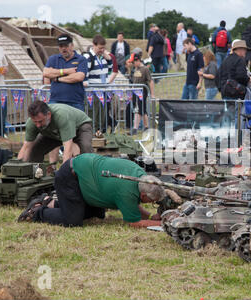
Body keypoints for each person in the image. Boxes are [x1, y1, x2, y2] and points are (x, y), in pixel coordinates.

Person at [17, 153, 166, 228]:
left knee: (96, 214)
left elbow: (132, 205)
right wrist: (160, 224)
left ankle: (48, 201)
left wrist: (151, 216)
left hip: (84, 172)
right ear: (142, 194)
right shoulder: (126, 191)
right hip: (70, 176)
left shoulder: (139, 175)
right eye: (151, 201)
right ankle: (37, 212)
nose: (150, 203)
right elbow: (134, 223)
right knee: (72, 221)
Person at [17, 101, 92, 164]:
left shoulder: (61, 116)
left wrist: (63, 174)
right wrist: (19, 167)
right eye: (35, 122)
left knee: (85, 149)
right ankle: (34, 174)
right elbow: (26, 147)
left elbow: (67, 149)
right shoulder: (31, 123)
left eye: (40, 121)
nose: (38, 125)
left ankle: (89, 174)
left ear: (48, 115)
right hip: (55, 133)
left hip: (80, 126)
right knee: (35, 149)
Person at [43, 34, 88, 111]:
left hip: (75, 101)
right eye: (61, 46)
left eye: (66, 46)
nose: (64, 48)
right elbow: (46, 73)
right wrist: (66, 71)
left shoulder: (81, 59)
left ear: (72, 45)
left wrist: (57, 78)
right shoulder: (53, 59)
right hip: (55, 100)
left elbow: (79, 77)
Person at [82, 34, 114, 133]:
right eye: (100, 48)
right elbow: (84, 72)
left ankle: (99, 134)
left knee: (102, 117)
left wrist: (108, 59)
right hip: (92, 92)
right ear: (94, 45)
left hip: (103, 91)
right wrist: (85, 82)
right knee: (93, 116)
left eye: (103, 48)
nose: (102, 50)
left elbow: (110, 70)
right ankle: (90, 135)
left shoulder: (103, 56)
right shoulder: (88, 57)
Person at [130, 53, 155, 135]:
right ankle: (146, 127)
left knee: (140, 109)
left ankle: (135, 128)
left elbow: (150, 81)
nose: (133, 64)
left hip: (142, 91)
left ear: (137, 60)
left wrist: (152, 94)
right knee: (141, 110)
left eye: (133, 62)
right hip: (135, 91)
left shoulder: (145, 69)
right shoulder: (134, 69)